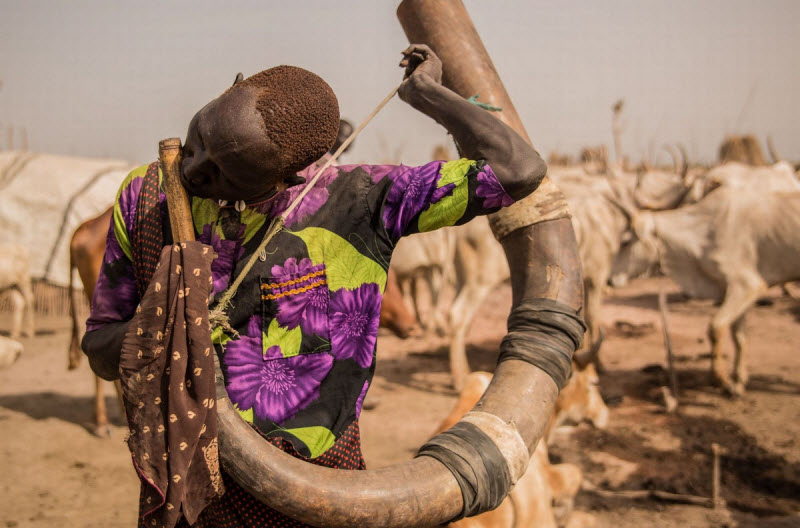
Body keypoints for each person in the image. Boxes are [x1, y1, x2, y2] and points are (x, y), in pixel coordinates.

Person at [82, 45, 564, 527]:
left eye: (224, 174)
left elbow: (519, 170)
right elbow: (101, 351)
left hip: (316, 494)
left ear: (288, 177)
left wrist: (429, 96)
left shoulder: (362, 200)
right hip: (181, 492)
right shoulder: (144, 198)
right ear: (229, 88)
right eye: (197, 141)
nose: (191, 170)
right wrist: (163, 334)